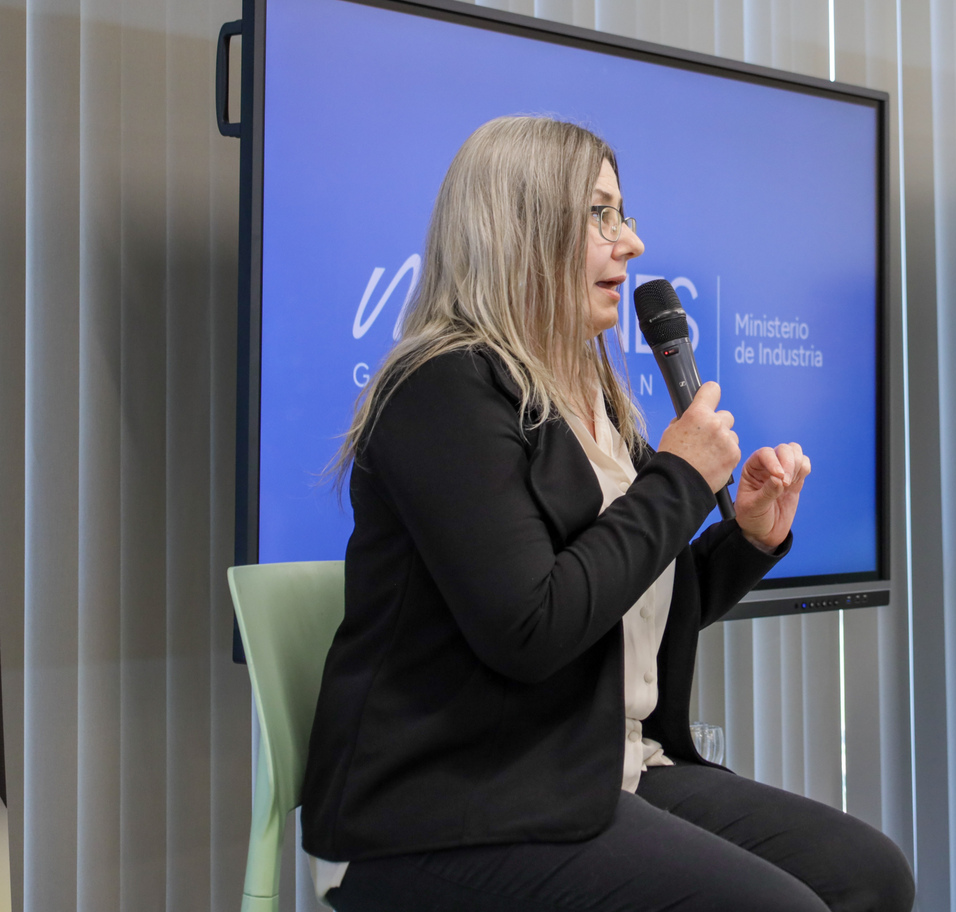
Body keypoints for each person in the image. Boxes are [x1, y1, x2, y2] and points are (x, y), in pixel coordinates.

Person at [299, 116, 914, 912]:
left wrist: (745, 541)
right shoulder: (443, 387)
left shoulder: (590, 396)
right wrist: (678, 479)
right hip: (464, 804)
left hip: (599, 768)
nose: (632, 243)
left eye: (623, 214)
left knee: (870, 874)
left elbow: (621, 603)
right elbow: (534, 626)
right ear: (520, 223)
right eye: (602, 215)